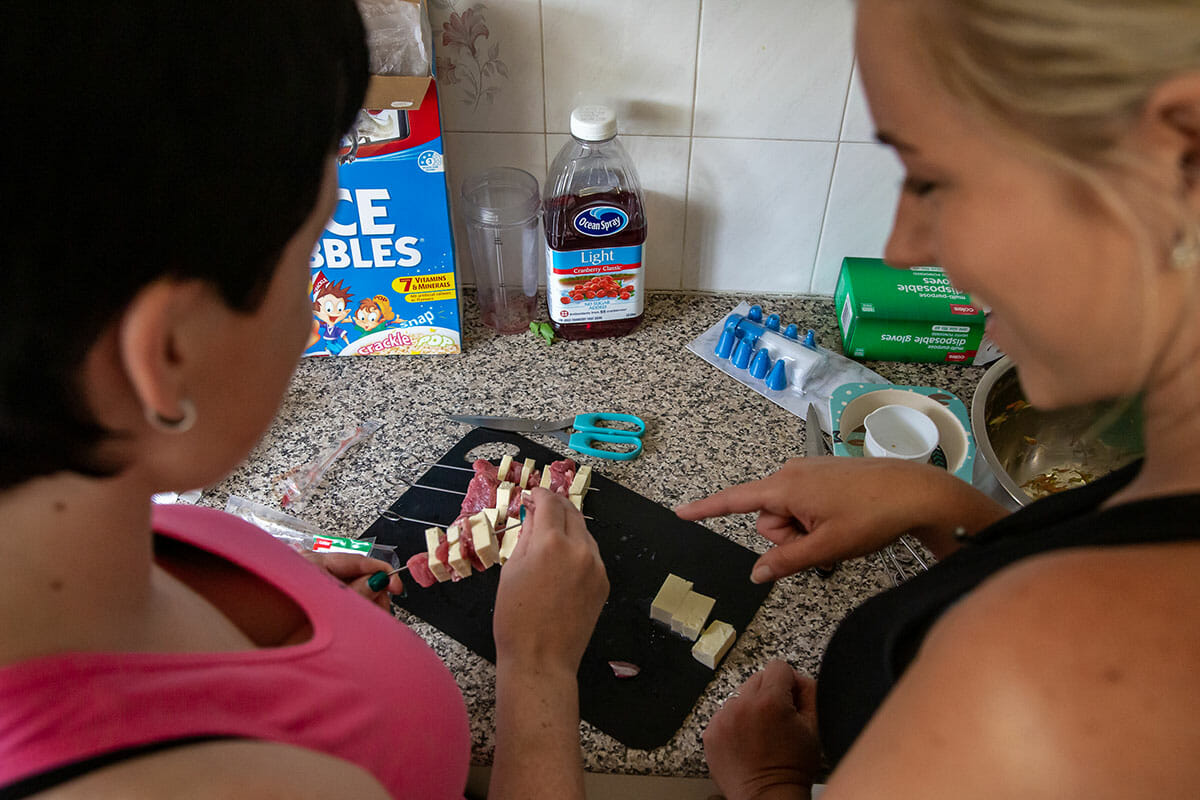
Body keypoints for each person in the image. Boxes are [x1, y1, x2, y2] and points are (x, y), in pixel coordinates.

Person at [0, 3, 607, 799]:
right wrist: (539, 667)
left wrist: (277, 600)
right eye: (314, 253)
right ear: (169, 352)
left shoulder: (81, 522)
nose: (321, 309)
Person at [678, 1, 1200, 797]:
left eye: (933, 177)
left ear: (1181, 153)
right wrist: (936, 502)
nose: (903, 251)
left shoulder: (1044, 694)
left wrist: (769, 782)